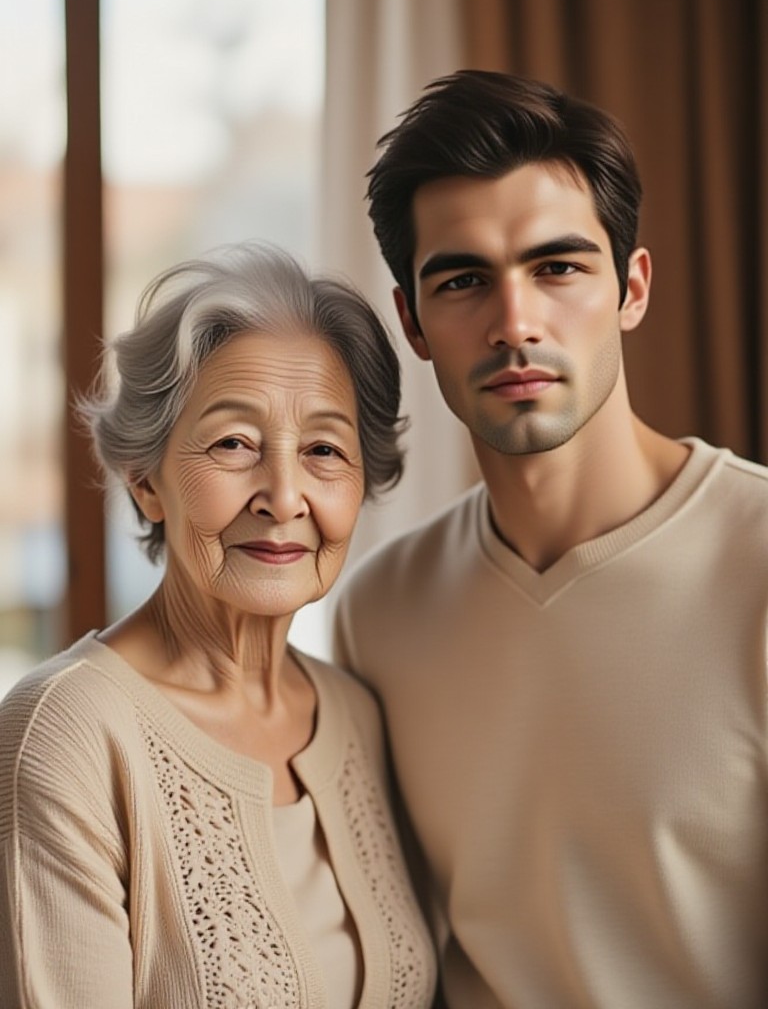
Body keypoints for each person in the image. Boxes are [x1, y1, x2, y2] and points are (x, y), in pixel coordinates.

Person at [333, 70, 768, 1008]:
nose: (515, 323)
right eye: (462, 281)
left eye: (558, 267)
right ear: (411, 321)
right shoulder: (380, 609)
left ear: (632, 288)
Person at [0, 242, 437, 1008]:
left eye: (325, 450)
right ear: (146, 482)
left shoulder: (359, 715)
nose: (284, 494)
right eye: (234, 443)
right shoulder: (65, 731)